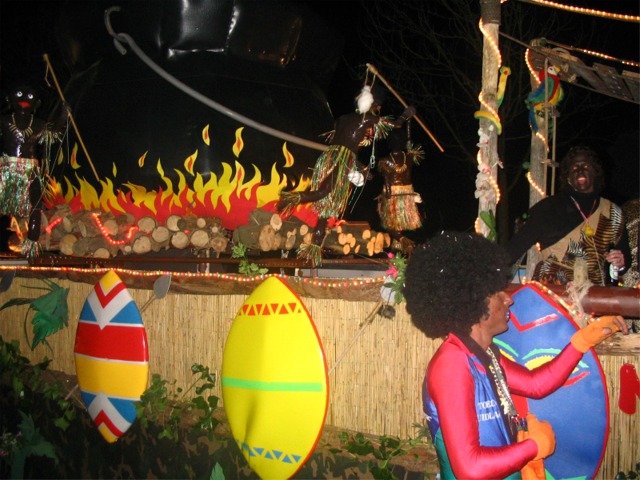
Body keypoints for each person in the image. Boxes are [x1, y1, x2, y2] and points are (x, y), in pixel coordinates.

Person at [403, 231, 628, 479]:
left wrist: (583, 340)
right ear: (472, 301)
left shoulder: (483, 353)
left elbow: (536, 384)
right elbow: (470, 469)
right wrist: (534, 446)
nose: (508, 299)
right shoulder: (452, 364)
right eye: (497, 293)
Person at [277, 84, 415, 264]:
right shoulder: (367, 118)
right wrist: (406, 114)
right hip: (340, 160)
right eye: (378, 106)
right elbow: (395, 125)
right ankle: (291, 198)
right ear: (373, 104)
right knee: (324, 193)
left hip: (332, 157)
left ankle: (315, 247)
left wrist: (362, 168)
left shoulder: (342, 119)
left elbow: (344, 147)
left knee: (326, 209)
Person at [506, 145, 631, 286]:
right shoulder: (548, 208)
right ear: (568, 177)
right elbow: (515, 248)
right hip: (553, 292)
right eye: (574, 168)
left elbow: (625, 260)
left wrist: (620, 263)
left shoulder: (613, 212)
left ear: (595, 172)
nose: (580, 171)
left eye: (585, 166)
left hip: (595, 293)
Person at [0, 84, 68, 256]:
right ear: (9, 99)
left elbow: (53, 133)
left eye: (30, 97)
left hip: (30, 172)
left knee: (36, 206)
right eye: (19, 94)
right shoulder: (4, 121)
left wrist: (63, 114)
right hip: (7, 170)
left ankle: (31, 245)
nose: (24, 99)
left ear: (37, 103)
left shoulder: (38, 124)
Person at [376, 127, 423, 251]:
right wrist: (408, 125)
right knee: (399, 221)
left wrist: (388, 194)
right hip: (407, 192)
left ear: (389, 143)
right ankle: (398, 245)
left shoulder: (385, 160)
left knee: (390, 222)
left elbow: (386, 179)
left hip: (393, 192)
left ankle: (402, 240)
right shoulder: (410, 157)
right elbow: (409, 143)